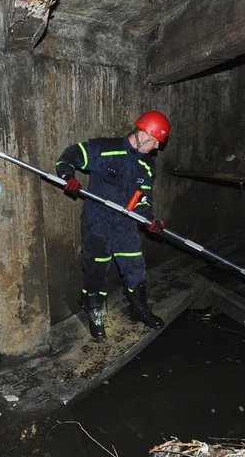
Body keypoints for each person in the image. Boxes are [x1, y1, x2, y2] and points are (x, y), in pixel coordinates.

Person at [54, 110, 171, 341]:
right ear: (144, 134)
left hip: (125, 226)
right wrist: (68, 177)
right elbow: (69, 156)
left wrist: (150, 222)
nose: (157, 147)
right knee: (97, 270)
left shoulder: (147, 166)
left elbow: (143, 199)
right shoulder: (105, 149)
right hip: (97, 223)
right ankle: (93, 310)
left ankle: (139, 309)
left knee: (135, 268)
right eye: (156, 141)